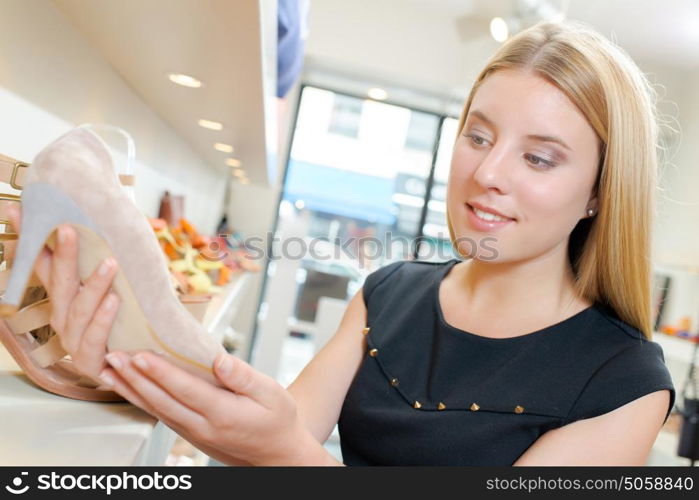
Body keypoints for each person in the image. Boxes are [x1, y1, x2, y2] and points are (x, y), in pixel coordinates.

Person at [8, 20, 676, 466]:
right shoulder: (392, 292)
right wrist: (126, 369)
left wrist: (286, 455)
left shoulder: (623, 383)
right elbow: (269, 430)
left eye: (538, 158)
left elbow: (283, 449)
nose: (487, 173)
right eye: (478, 135)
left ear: (598, 191)